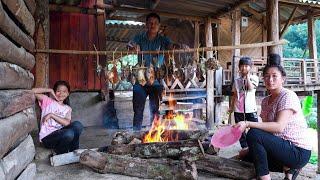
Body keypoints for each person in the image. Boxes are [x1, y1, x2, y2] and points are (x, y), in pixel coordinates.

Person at [235, 54, 312, 180]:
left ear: (283, 79)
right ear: (263, 79)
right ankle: (288, 169)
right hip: (282, 147)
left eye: (274, 76)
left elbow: (279, 127)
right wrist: (248, 150)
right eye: (267, 76)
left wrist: (247, 123)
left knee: (253, 133)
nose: (270, 80)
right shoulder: (265, 101)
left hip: (298, 151)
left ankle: (265, 177)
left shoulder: (288, 95)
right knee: (248, 155)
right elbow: (267, 133)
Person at [128, 13, 172, 130]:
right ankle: (136, 134)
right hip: (140, 81)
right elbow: (129, 44)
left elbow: (172, 46)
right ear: (146, 24)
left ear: (159, 25)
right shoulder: (139, 38)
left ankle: (155, 134)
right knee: (138, 110)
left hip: (156, 81)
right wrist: (132, 47)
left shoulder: (163, 40)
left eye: (155, 23)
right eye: (150, 23)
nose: (153, 25)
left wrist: (180, 46)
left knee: (155, 111)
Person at [32, 80, 83, 154]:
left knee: (78, 125)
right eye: (58, 91)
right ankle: (61, 152)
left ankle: (74, 151)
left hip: (62, 133)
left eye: (64, 91)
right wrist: (50, 90)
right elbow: (32, 91)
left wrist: (52, 115)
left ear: (68, 93)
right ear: (54, 92)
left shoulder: (68, 108)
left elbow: (67, 123)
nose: (61, 94)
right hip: (48, 137)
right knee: (69, 133)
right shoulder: (48, 101)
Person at [229, 57, 259, 149]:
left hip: (251, 109)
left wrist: (247, 77)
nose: (244, 68)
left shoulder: (254, 78)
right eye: (242, 66)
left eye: (246, 66)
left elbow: (250, 88)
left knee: (255, 129)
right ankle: (244, 147)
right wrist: (231, 107)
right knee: (239, 130)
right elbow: (234, 94)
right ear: (239, 67)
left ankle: (255, 146)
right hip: (238, 109)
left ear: (251, 67)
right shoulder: (236, 80)